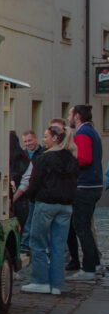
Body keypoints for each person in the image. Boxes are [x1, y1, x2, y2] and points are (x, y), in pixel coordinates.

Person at [19, 125, 78, 295]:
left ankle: (40, 281)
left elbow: (35, 181)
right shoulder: (72, 159)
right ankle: (57, 284)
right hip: (65, 206)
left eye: (46, 136)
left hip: (46, 203)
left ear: (55, 138)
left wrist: (31, 197)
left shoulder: (44, 158)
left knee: (38, 243)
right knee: (58, 246)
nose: (43, 140)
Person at [66, 104, 103, 280]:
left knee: (82, 227)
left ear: (78, 116)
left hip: (85, 186)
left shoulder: (83, 133)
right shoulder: (91, 132)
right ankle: (94, 262)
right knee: (84, 226)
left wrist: (68, 163)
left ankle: (88, 268)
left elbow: (84, 159)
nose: (68, 117)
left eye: (70, 114)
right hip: (93, 185)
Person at [8, 131, 31, 229]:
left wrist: (10, 201)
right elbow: (25, 184)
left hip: (8, 203)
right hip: (21, 203)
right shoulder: (25, 160)